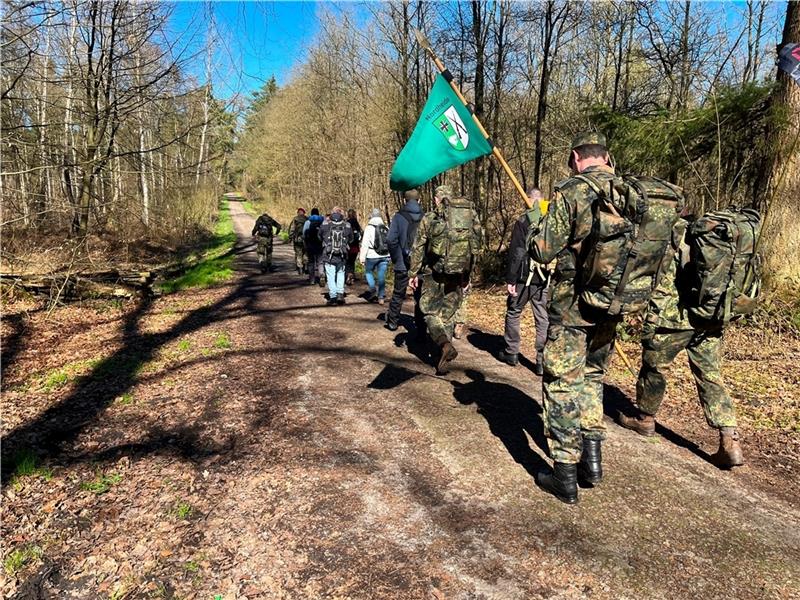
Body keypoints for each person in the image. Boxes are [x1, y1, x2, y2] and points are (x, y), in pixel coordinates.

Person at [528, 132, 619, 504]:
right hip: (614, 303)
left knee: (563, 383)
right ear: (607, 157)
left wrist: (538, 219)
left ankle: (564, 475)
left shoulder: (572, 191)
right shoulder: (629, 192)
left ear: (575, 157)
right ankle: (592, 463)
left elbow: (542, 248)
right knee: (593, 378)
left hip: (573, 306)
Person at [619, 217, 744, 468]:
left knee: (654, 367)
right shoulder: (714, 241)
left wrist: (650, 316)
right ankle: (729, 439)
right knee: (710, 375)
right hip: (710, 318)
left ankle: (645, 418)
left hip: (675, 319)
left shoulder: (671, 235)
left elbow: (660, 280)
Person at [409, 185, 482, 375]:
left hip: (433, 273)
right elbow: (476, 248)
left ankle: (443, 345)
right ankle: (443, 358)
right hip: (458, 273)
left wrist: (413, 273)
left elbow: (418, 247)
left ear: (437, 200)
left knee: (429, 312)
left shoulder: (430, 218)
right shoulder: (470, 218)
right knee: (448, 314)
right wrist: (468, 275)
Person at [497, 187, 553, 376]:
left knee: (514, 311)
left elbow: (517, 251)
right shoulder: (552, 218)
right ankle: (541, 361)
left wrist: (511, 278)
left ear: (529, 199)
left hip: (523, 276)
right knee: (542, 317)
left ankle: (511, 352)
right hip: (546, 276)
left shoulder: (524, 220)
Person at [385, 189, 425, 334]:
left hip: (402, 263)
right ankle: (421, 329)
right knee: (420, 297)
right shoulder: (426, 217)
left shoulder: (399, 217)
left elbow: (390, 239)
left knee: (398, 293)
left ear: (404, 201)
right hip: (420, 264)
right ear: (419, 201)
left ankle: (393, 322)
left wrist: (396, 257)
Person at [319, 206, 353, 305]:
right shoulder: (347, 225)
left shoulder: (325, 224)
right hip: (342, 255)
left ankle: (333, 296)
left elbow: (319, 236)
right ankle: (340, 294)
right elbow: (351, 239)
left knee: (330, 275)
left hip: (328, 254)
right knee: (341, 274)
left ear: (332, 213)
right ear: (341, 213)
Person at [358, 208, 391, 304]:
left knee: (368, 272)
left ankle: (372, 289)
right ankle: (381, 297)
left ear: (371, 216)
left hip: (372, 255)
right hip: (384, 255)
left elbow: (364, 244)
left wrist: (362, 257)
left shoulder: (369, 228)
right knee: (381, 276)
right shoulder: (385, 227)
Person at [303, 208, 324, 286]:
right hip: (320, 244)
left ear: (311, 214)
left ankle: (312, 279)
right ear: (318, 213)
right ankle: (321, 275)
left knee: (311, 262)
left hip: (310, 244)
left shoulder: (308, 222)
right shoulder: (322, 221)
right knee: (320, 262)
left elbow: (304, 234)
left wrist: (305, 243)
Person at [288, 207, 308, 275]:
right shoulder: (307, 219)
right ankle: (305, 266)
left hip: (297, 239)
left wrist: (290, 237)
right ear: (304, 213)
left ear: (298, 213)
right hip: (306, 239)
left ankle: (300, 268)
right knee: (305, 252)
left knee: (298, 253)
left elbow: (292, 229)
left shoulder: (295, 219)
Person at [346, 209, 363, 285]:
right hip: (355, 247)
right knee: (352, 262)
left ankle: (348, 275)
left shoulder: (347, 223)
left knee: (347, 262)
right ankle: (352, 275)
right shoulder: (357, 224)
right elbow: (361, 234)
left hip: (348, 246)